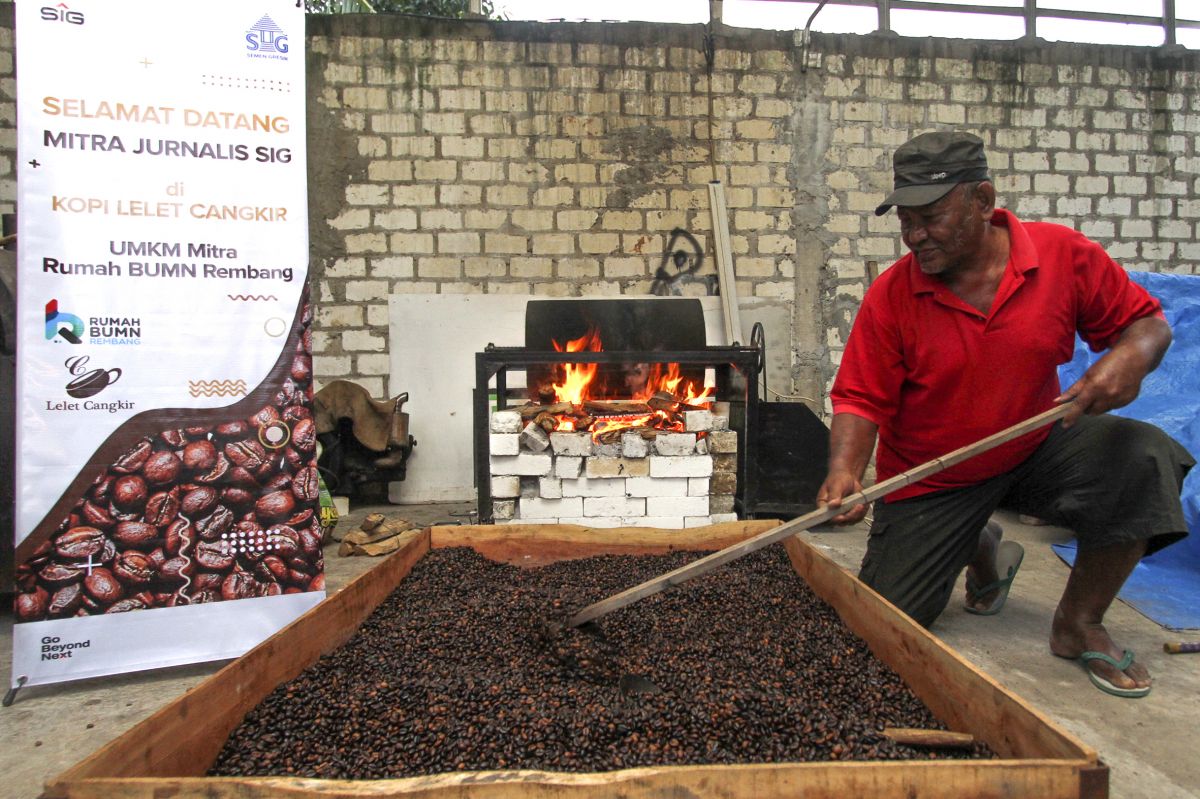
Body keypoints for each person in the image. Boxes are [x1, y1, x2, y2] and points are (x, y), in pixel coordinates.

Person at [816, 130, 1194, 699]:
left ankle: (1079, 622)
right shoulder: (893, 295)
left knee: (1143, 455)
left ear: (984, 201)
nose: (915, 235)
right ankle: (981, 542)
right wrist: (844, 470)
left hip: (1034, 444)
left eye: (931, 217)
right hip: (933, 474)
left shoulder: (1062, 255)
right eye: (905, 221)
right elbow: (861, 397)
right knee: (886, 622)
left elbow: (1147, 324)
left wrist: (1130, 360)